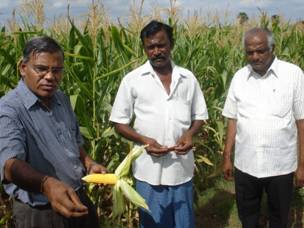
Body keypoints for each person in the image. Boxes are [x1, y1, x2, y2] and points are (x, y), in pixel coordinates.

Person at [109, 20, 208, 228]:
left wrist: (190, 134)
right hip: (147, 170)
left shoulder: (188, 78)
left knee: (184, 223)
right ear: (144, 48)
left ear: (171, 44)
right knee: (153, 222)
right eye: (150, 47)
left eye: (161, 45)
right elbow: (119, 122)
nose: (156, 51)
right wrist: (144, 140)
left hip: (181, 169)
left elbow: (200, 115)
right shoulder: (132, 80)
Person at [0, 36, 107, 228]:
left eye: (56, 70)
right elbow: (9, 165)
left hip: (78, 199)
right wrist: (46, 184)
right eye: (41, 69)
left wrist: (89, 163)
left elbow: (74, 143)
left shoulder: (61, 99)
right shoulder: (9, 110)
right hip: (41, 212)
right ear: (23, 68)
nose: (50, 76)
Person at [222, 27, 304, 228]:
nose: (255, 56)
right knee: (248, 218)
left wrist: (302, 165)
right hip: (246, 164)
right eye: (250, 52)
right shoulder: (240, 77)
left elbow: (301, 121)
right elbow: (232, 119)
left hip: (281, 165)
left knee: (278, 218)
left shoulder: (293, 74)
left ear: (272, 48)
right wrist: (226, 156)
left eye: (261, 51)